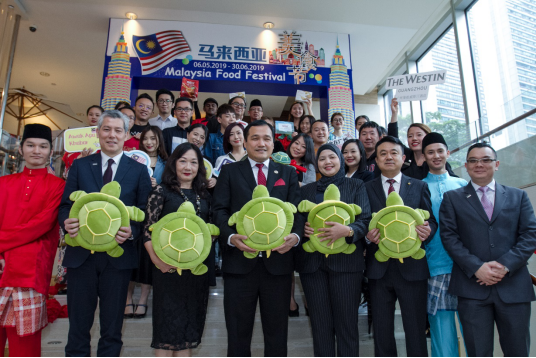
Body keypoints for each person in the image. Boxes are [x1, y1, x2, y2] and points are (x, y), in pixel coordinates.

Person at [59, 110, 152, 357]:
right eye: (107, 129)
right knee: (78, 327)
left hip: (118, 259)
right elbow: (66, 205)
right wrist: (66, 222)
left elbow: (143, 212)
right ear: (98, 132)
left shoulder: (139, 170)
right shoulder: (79, 166)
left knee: (112, 329)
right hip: (81, 257)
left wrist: (130, 232)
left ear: (126, 135)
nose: (112, 135)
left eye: (117, 130)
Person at [213, 120, 304, 357]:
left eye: (266, 138)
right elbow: (219, 211)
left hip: (278, 265)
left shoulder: (287, 173)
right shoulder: (230, 171)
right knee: (237, 333)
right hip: (239, 265)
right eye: (254, 138)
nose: (261, 143)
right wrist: (231, 236)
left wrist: (295, 236)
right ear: (244, 142)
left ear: (273, 143)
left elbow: (298, 211)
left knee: (277, 333)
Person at [440, 143, 536, 357]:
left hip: (513, 287)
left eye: (485, 159)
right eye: (473, 160)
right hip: (472, 289)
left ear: (497, 164)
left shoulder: (517, 196)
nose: (479, 164)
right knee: (478, 352)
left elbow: (530, 235)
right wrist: (477, 267)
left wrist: (504, 266)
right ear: (466, 166)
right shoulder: (452, 199)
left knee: (518, 350)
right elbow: (449, 238)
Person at [365, 136, 437, 357]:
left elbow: (431, 220)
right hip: (379, 270)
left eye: (394, 152)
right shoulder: (365, 188)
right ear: (376, 160)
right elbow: (361, 223)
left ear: (403, 158)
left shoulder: (419, 185)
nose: (389, 157)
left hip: (413, 269)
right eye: (383, 153)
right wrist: (367, 237)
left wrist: (428, 231)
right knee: (382, 331)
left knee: (415, 329)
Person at [298, 143, 372, 357]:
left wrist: (348, 230)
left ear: (340, 160)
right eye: (322, 159)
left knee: (347, 325)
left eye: (332, 157)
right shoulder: (306, 190)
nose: (327, 162)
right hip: (312, 265)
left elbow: (366, 219)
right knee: (320, 327)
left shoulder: (356, 186)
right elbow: (297, 220)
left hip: (347, 265)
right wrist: (303, 228)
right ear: (317, 164)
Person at [142, 143, 214, 356]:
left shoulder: (205, 194)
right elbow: (147, 230)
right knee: (166, 332)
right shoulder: (161, 191)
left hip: (197, 271)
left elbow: (210, 230)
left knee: (189, 331)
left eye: (193, 162)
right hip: (167, 270)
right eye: (183, 161)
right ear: (174, 164)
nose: (188, 166)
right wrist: (159, 263)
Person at [0, 124, 65, 357]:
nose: (36, 150)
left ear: (50, 152)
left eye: (43, 146)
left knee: (24, 344)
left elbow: (41, 225)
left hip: (31, 271)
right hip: (1, 268)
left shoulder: (58, 186)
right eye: (30, 145)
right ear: (20, 148)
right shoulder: (3, 183)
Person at [420, 133, 467, 358]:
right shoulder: (418, 187)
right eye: (430, 152)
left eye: (440, 151)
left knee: (474, 330)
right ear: (424, 156)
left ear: (448, 153)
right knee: (441, 332)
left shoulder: (463, 185)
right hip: (435, 267)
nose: (436, 156)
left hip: (467, 268)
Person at [123, 126, 169, 320]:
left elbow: (170, 185)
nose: (149, 142)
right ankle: (127, 299)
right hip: (133, 212)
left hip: (156, 214)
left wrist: (158, 186)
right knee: (130, 255)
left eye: (153, 138)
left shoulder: (167, 163)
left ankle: (143, 298)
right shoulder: (131, 160)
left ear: (159, 140)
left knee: (148, 257)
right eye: (146, 139)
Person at [389, 98, 456, 180]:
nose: (414, 138)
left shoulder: (436, 161)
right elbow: (392, 141)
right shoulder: (405, 156)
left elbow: (453, 182)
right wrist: (394, 113)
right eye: (410, 136)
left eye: (419, 135)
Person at [62, 105, 104, 173]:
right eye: (91, 114)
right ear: (87, 116)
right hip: (78, 170)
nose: (93, 117)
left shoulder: (105, 136)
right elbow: (68, 156)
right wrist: (80, 156)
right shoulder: (78, 134)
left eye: (97, 115)